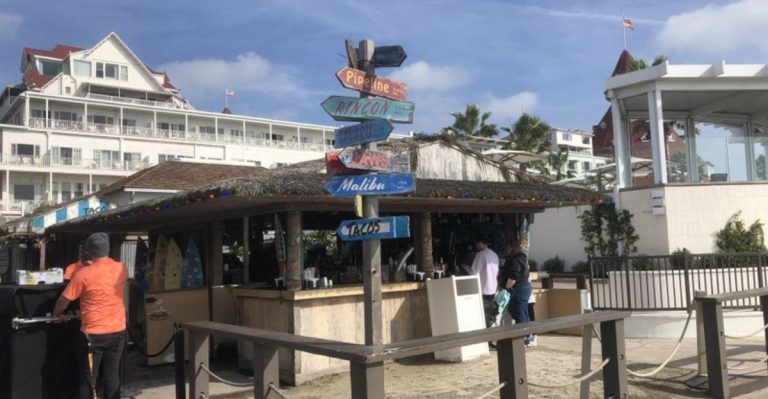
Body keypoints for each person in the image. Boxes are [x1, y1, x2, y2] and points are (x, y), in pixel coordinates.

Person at [53, 233, 128, 399]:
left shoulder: (83, 274)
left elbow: (64, 300)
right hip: (118, 331)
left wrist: (56, 314)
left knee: (87, 379)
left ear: (87, 251)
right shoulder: (122, 268)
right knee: (111, 375)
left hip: (92, 335)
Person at [501, 240, 533, 345]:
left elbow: (514, 275)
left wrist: (507, 287)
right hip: (525, 288)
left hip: (519, 289)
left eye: (508, 248)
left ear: (512, 248)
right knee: (523, 311)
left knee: (517, 311)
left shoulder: (516, 260)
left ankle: (524, 336)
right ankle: (528, 334)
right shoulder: (523, 258)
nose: (506, 250)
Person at [465, 235, 499, 328]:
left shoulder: (481, 255)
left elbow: (473, 272)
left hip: (483, 289)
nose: (476, 246)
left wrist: (465, 267)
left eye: (477, 243)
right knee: (490, 313)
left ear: (480, 243)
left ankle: (484, 331)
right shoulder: (494, 254)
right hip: (493, 288)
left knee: (482, 313)